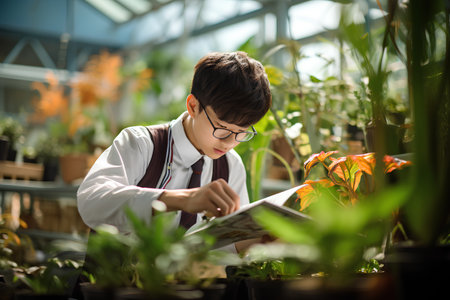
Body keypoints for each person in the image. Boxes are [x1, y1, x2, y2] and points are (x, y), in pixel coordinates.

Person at [77, 51, 272, 253]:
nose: (230, 142)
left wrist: (264, 242)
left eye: (242, 132)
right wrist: (182, 199)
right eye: (221, 128)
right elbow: (91, 201)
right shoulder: (142, 143)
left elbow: (226, 246)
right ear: (193, 106)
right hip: (115, 283)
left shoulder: (231, 165)